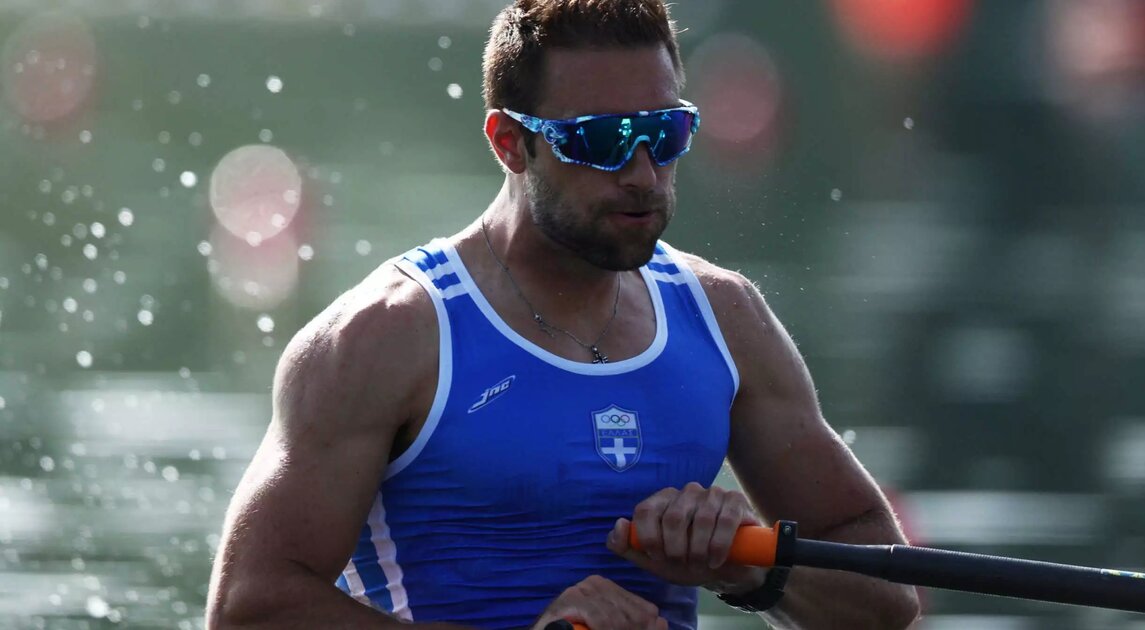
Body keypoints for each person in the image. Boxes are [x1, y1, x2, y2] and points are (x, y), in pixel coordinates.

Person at [205, 1, 921, 628]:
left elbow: (889, 601)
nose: (641, 173)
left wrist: (755, 573)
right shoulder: (387, 336)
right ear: (509, 143)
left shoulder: (724, 317)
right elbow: (245, 609)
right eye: (602, 141)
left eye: (665, 133)